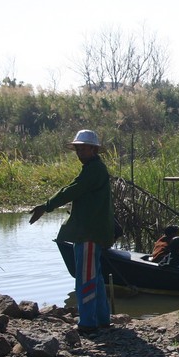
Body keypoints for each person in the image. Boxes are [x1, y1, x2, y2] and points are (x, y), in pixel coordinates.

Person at [29, 129, 114, 334]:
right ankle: (102, 319)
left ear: (93, 149)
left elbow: (72, 190)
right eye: (77, 149)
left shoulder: (94, 170)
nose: (79, 152)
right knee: (96, 277)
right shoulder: (94, 168)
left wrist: (46, 206)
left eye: (82, 148)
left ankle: (87, 323)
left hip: (88, 233)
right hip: (93, 231)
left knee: (85, 277)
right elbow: (75, 188)